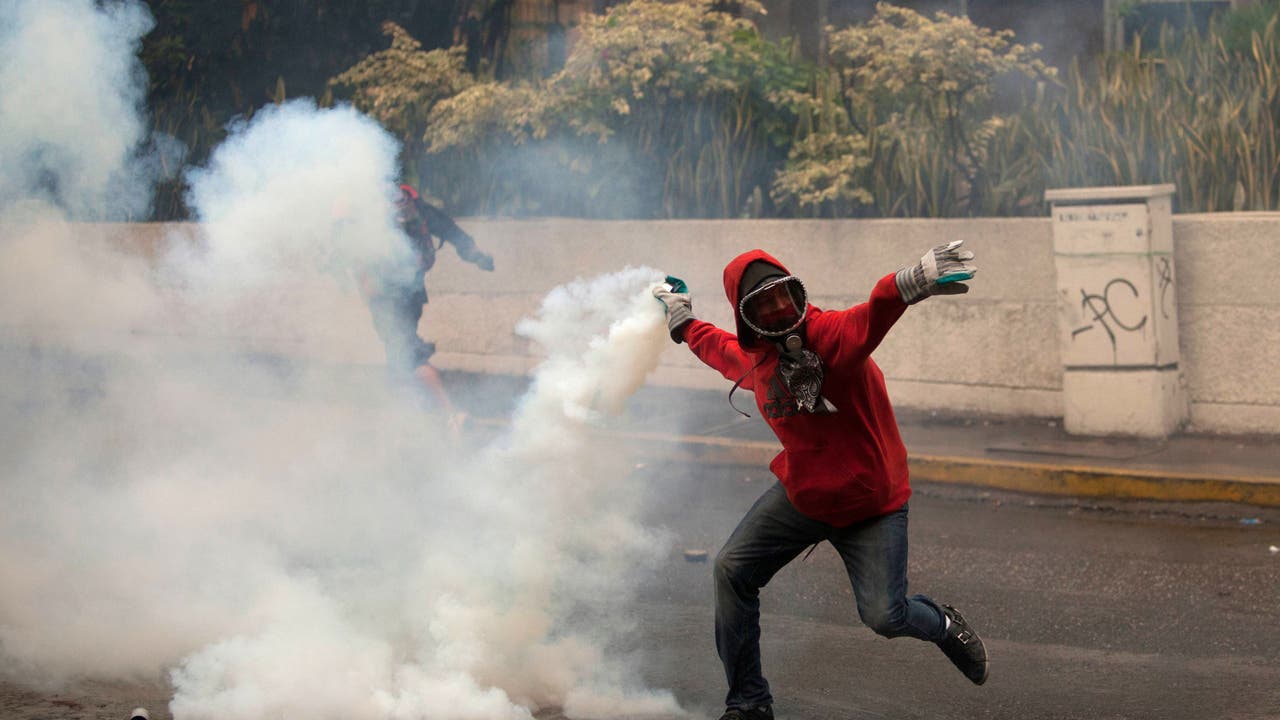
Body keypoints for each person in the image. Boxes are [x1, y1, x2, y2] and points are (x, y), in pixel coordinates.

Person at [652, 242, 987, 720]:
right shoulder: (753, 358)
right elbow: (712, 344)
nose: (778, 309)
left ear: (797, 293)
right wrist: (681, 319)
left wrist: (906, 283)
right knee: (731, 571)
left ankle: (944, 624)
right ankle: (749, 702)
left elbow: (870, 314)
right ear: (747, 319)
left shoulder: (830, 336)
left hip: (873, 503)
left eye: (783, 294)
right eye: (763, 303)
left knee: (885, 616)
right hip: (805, 497)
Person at [359, 183, 494, 428]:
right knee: (399, 357)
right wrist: (476, 256)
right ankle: (409, 417)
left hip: (389, 300)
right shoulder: (413, 205)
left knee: (409, 356)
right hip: (414, 295)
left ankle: (451, 414)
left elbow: (357, 258)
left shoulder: (372, 214)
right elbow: (449, 229)